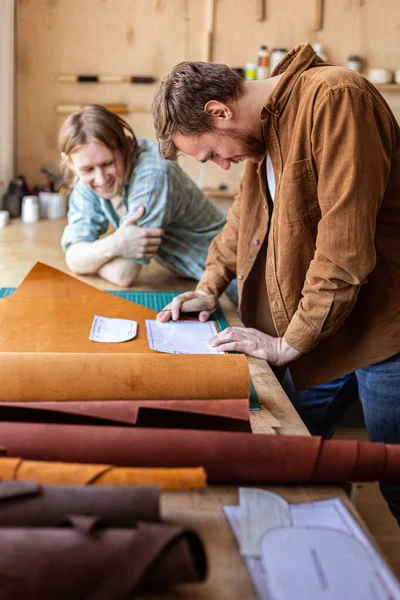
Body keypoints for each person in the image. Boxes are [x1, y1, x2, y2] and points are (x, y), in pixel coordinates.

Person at [152, 43, 400, 522]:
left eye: (211, 154)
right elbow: (242, 222)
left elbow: (343, 250)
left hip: (385, 333)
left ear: (219, 111)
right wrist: (209, 284)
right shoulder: (266, 132)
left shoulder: (334, 99)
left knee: (396, 482)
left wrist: (289, 343)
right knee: (284, 455)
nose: (220, 165)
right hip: (326, 334)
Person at [59, 104, 237, 303]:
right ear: (70, 163)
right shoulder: (88, 180)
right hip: (193, 280)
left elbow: (123, 274)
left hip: (233, 278)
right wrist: (117, 243)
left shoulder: (154, 175)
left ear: (127, 145)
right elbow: (73, 258)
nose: (100, 179)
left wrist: (91, 257)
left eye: (108, 164)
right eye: (87, 169)